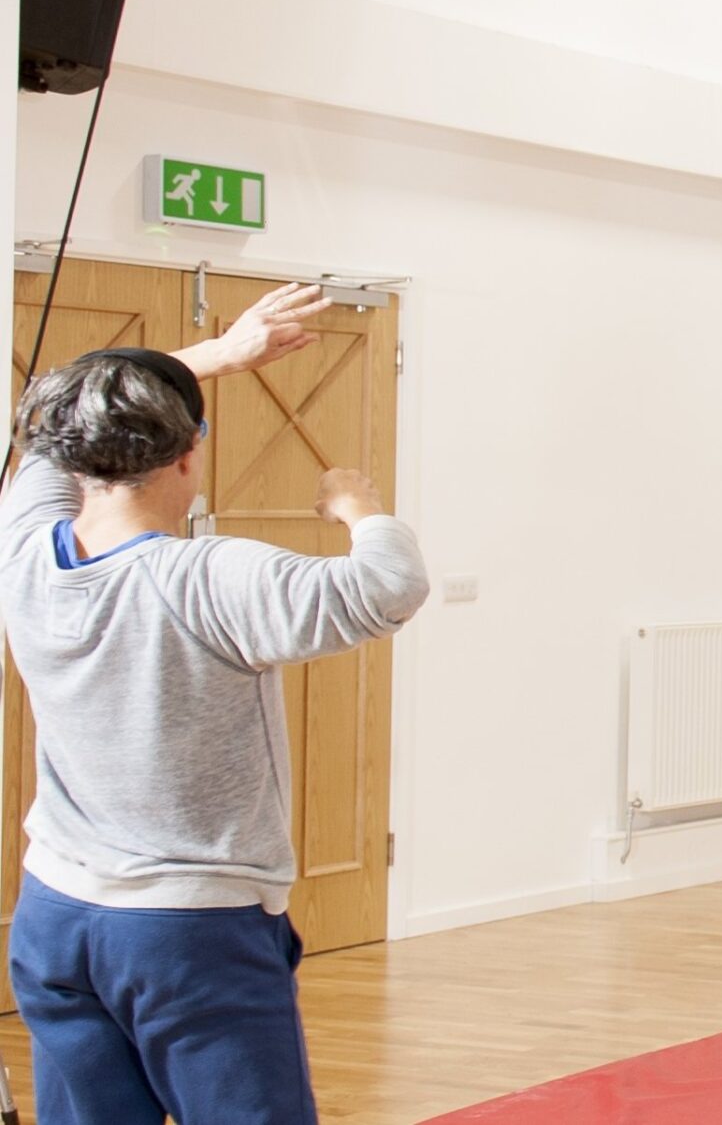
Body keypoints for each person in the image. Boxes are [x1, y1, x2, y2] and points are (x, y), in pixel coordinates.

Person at [0, 285, 430, 1123]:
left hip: (54, 917)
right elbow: (387, 588)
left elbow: (49, 423)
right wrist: (359, 507)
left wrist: (219, 356)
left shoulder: (24, 548)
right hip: (185, 932)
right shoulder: (205, 577)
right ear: (190, 455)